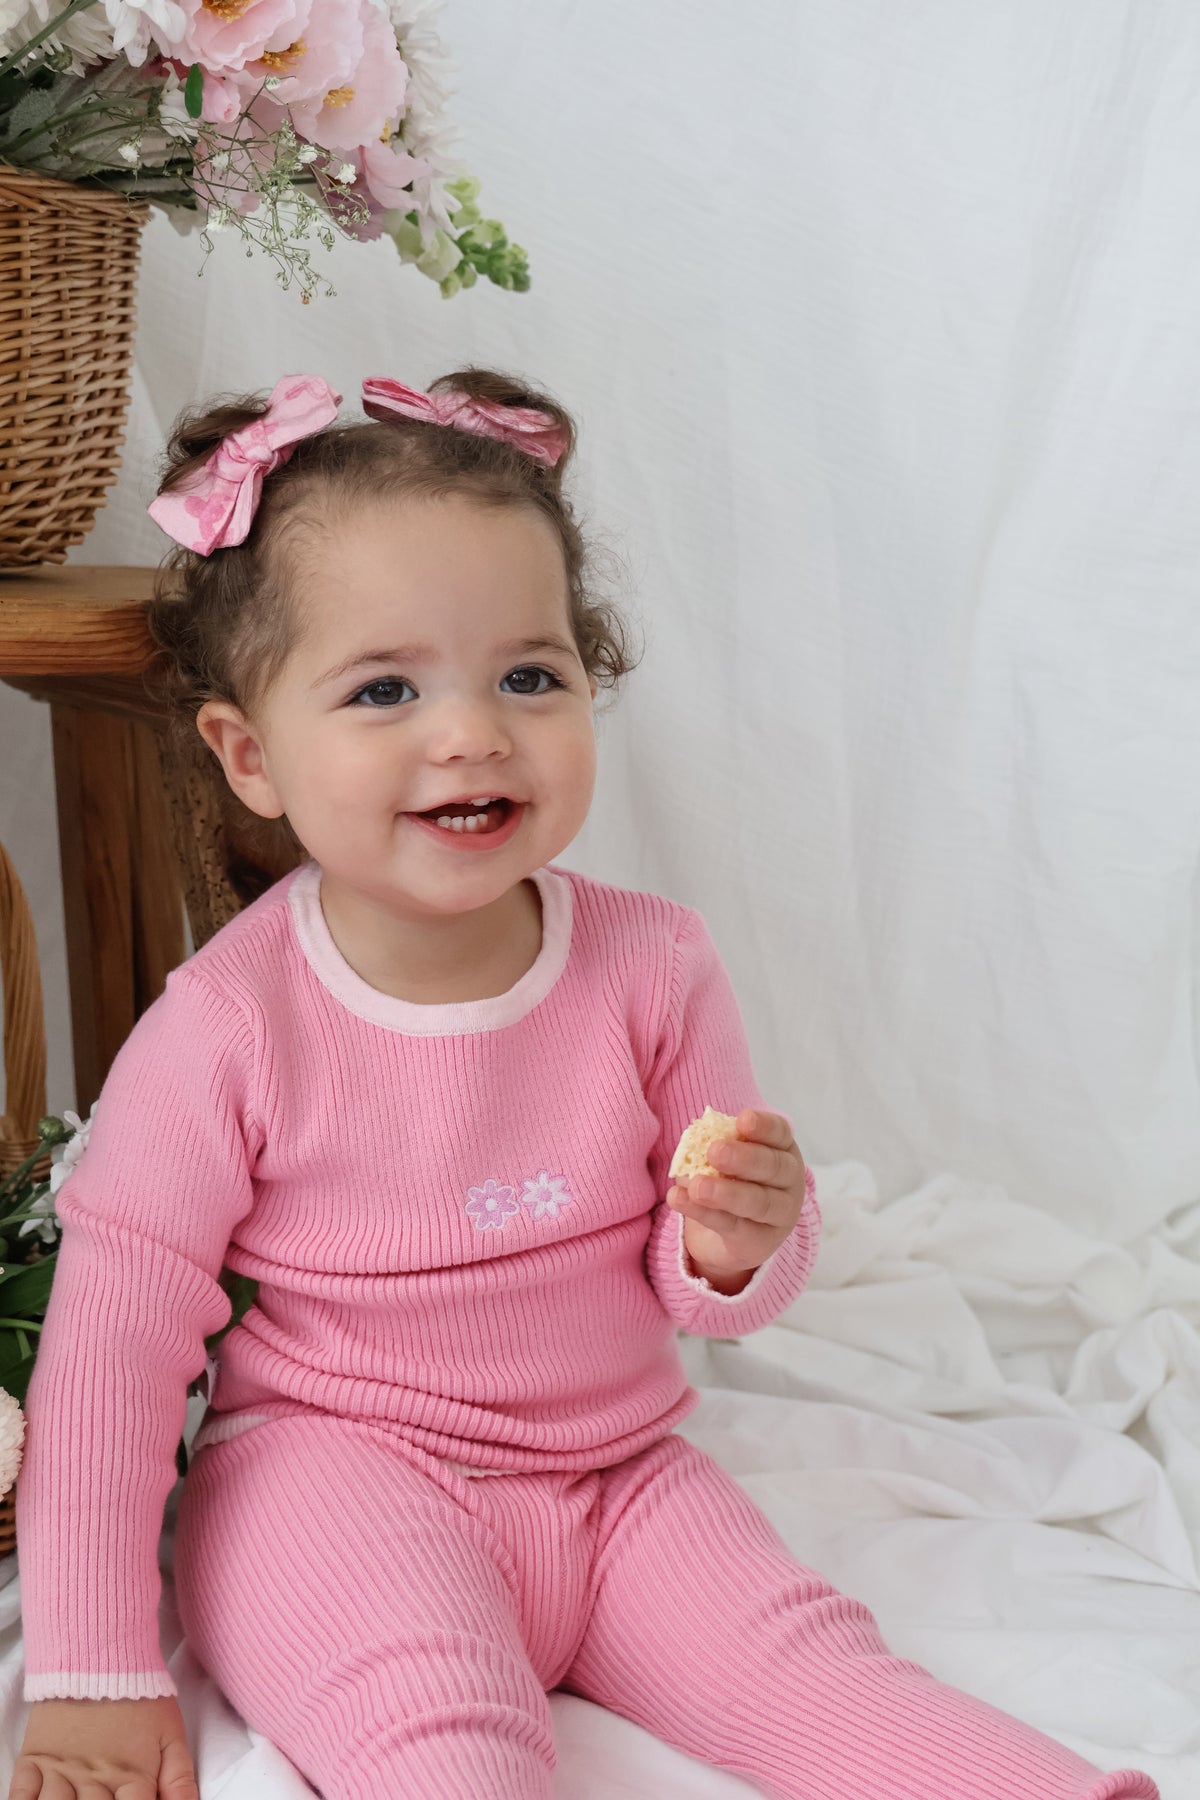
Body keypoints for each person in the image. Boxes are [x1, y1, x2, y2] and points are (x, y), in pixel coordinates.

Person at [9, 371, 1159, 1800]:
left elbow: (712, 1285)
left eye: (530, 677)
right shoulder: (230, 1025)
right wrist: (92, 1676)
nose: (472, 732)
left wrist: (736, 1241)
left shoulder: (651, 965)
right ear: (251, 758)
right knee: (443, 1744)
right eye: (385, 690)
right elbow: (113, 1348)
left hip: (620, 1481)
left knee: (816, 1674)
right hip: (335, 1479)